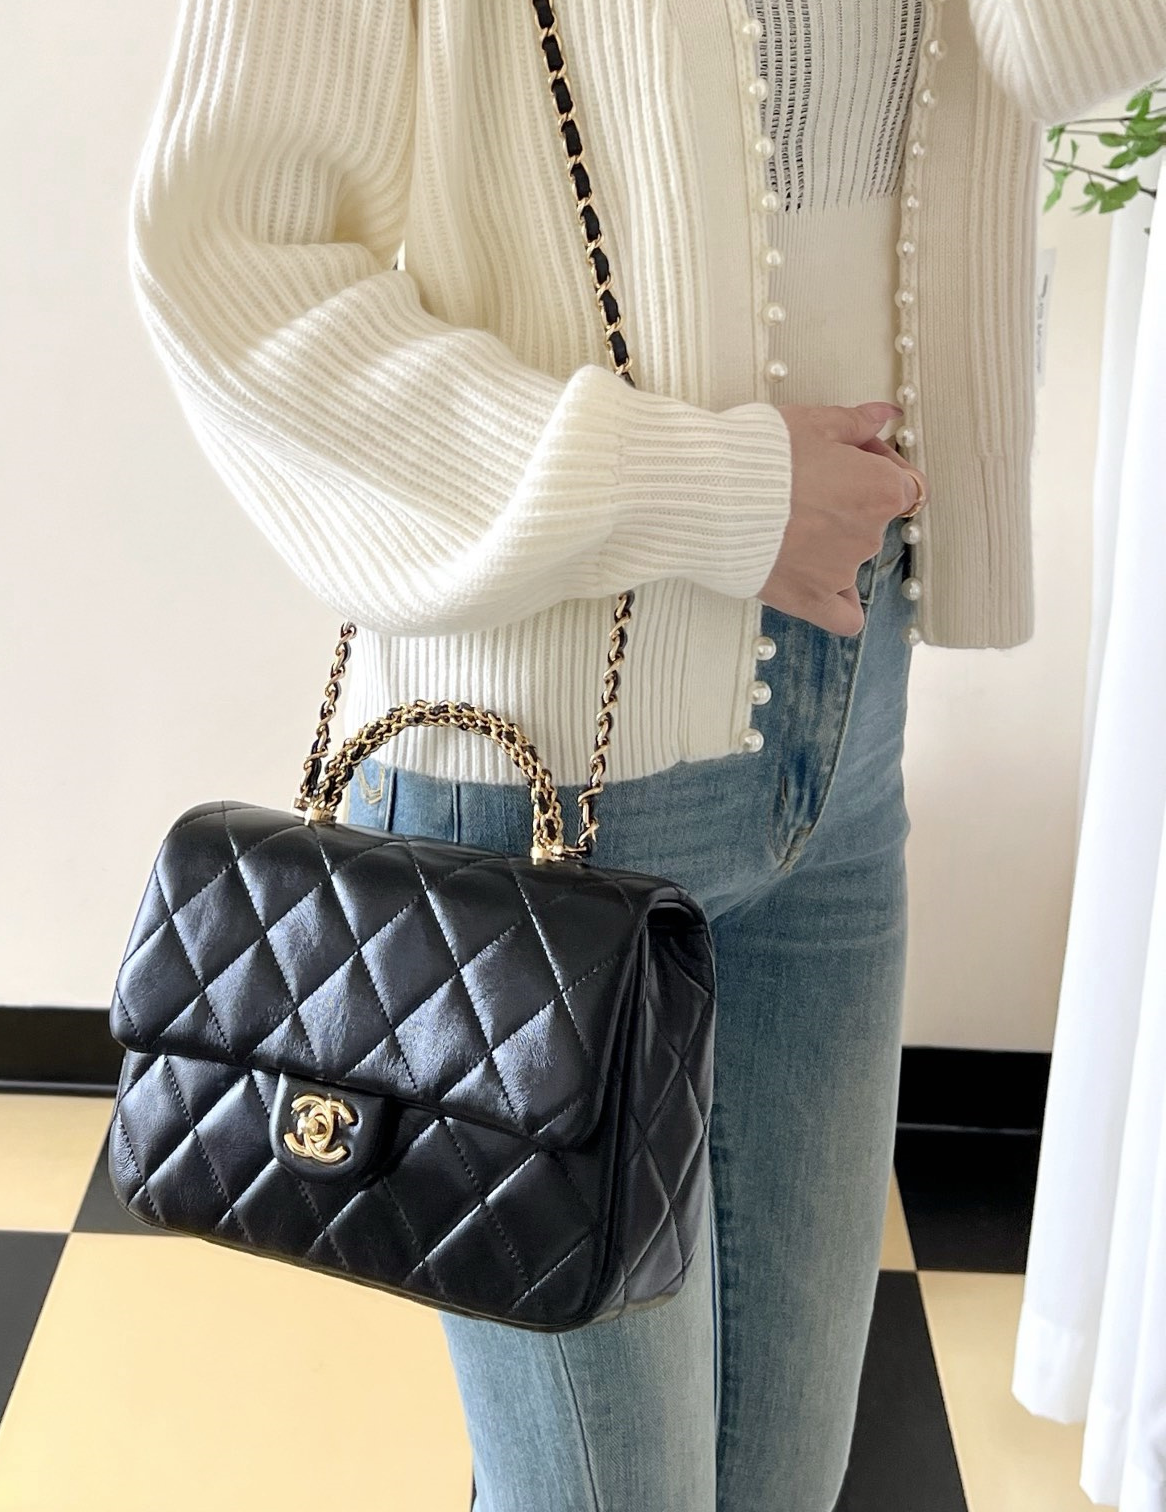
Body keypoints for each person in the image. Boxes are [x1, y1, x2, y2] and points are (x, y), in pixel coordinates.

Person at [124, 2, 1166, 1506]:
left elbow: (1077, 45)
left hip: (847, 715)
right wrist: (705, 487)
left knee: (785, 1478)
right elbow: (230, 269)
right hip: (553, 768)